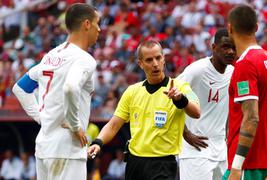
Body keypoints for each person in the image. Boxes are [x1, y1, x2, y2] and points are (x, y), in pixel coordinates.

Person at [88, 40, 200, 180]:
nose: (155, 63)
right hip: (135, 163)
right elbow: (114, 124)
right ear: (140, 64)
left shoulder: (181, 87)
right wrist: (98, 142)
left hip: (163, 164)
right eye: (149, 60)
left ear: (163, 59)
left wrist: (180, 99)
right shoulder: (132, 92)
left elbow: (196, 112)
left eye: (158, 58)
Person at [12, 3, 100, 180]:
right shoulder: (84, 59)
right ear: (87, 24)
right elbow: (70, 87)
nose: (99, 29)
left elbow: (20, 88)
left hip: (44, 147)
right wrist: (75, 126)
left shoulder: (50, 56)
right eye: (98, 23)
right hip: (68, 148)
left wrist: (41, 117)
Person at [223, 4, 267, 180]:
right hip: (261, 163)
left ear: (229, 28)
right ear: (256, 27)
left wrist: (237, 167)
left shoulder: (245, 64)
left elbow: (252, 117)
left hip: (245, 164)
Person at [177, 28, 236, 180]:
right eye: (225, 47)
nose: (230, 51)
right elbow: (170, 95)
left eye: (234, 48)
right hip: (195, 151)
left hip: (221, 150)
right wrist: (185, 133)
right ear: (213, 47)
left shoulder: (233, 73)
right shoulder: (197, 70)